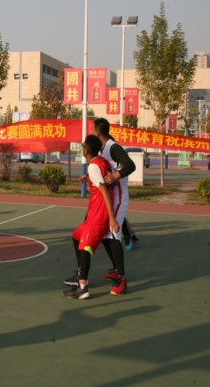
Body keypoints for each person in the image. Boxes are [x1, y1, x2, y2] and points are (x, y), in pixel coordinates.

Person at [62, 135, 118, 299]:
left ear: (87, 150)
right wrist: (87, 177)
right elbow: (103, 178)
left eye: (83, 145)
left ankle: (83, 287)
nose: (81, 147)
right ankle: (81, 274)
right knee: (76, 236)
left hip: (99, 214)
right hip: (96, 212)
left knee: (84, 248)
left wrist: (111, 217)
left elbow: (104, 190)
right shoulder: (101, 162)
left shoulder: (93, 166)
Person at [93, 117, 136, 295]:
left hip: (119, 197)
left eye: (93, 130)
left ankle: (122, 280)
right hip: (111, 196)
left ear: (97, 132)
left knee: (113, 232)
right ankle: (116, 269)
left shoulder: (113, 147)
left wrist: (115, 176)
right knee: (104, 233)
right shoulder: (102, 150)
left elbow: (130, 165)